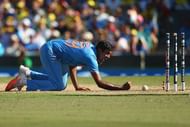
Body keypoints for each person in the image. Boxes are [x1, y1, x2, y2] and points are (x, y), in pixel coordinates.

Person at [5, 39, 131, 91]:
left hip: (57, 52)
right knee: (58, 85)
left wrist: (77, 87)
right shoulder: (91, 57)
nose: (108, 57)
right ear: (100, 50)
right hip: (51, 50)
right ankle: (23, 81)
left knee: (62, 84)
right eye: (107, 53)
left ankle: (28, 74)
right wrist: (121, 88)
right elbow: (99, 83)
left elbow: (72, 65)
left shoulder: (91, 48)